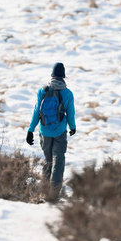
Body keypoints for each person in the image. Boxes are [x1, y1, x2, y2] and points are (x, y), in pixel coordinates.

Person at [26, 62, 76, 201]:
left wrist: (30, 130)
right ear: (63, 76)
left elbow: (37, 111)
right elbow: (70, 113)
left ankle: (43, 192)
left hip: (44, 131)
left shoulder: (42, 90)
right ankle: (53, 195)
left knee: (48, 161)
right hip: (60, 131)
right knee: (58, 161)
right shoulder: (67, 93)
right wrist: (72, 127)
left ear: (52, 75)